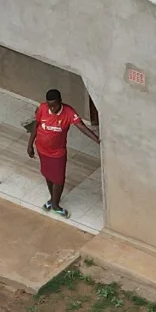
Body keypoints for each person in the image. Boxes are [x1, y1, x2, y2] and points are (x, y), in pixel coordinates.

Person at [30, 88, 96, 217]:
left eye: (55, 105)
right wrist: (30, 144)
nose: (52, 109)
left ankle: (55, 205)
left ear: (60, 101)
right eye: (50, 106)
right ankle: (52, 199)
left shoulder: (69, 112)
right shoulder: (42, 108)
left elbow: (82, 127)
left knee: (59, 180)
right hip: (42, 150)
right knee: (48, 175)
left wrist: (97, 140)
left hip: (57, 153)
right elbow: (35, 125)